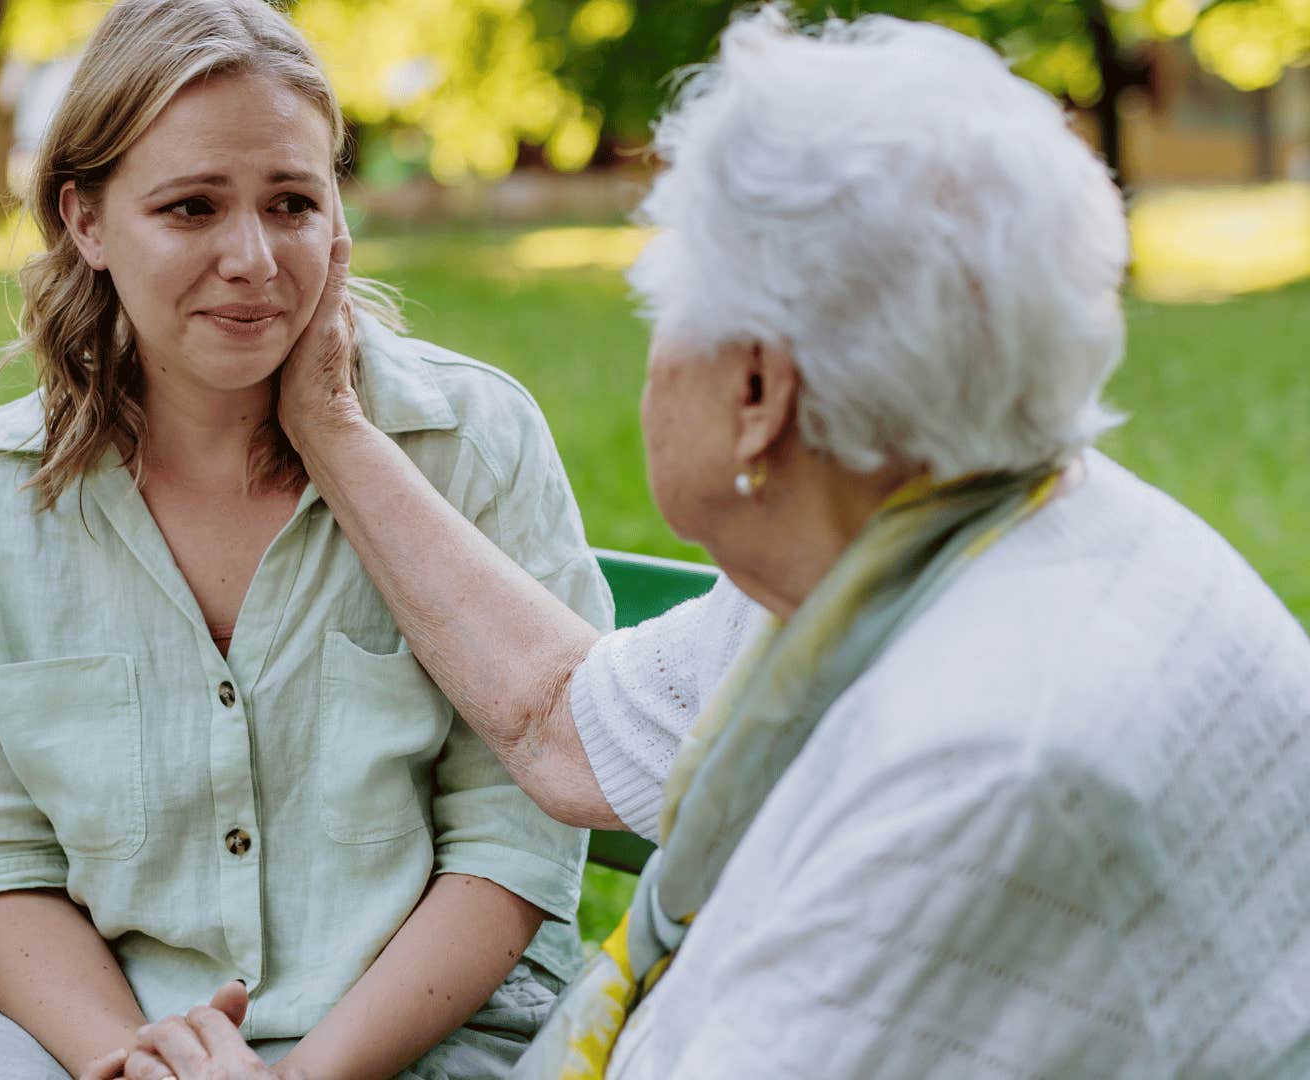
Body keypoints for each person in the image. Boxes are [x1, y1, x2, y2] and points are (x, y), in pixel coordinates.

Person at [124, 8, 1310, 1078]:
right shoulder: (948, 536)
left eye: (662, 318)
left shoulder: (984, 762)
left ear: (756, 393)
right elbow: (562, 726)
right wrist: (331, 426)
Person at [0, 1, 614, 1077]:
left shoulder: (470, 446)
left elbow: (514, 839)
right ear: (85, 220)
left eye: (292, 203)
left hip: (443, 1028)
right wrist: (128, 1065)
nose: (254, 258)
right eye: (189, 208)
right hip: (114, 1030)